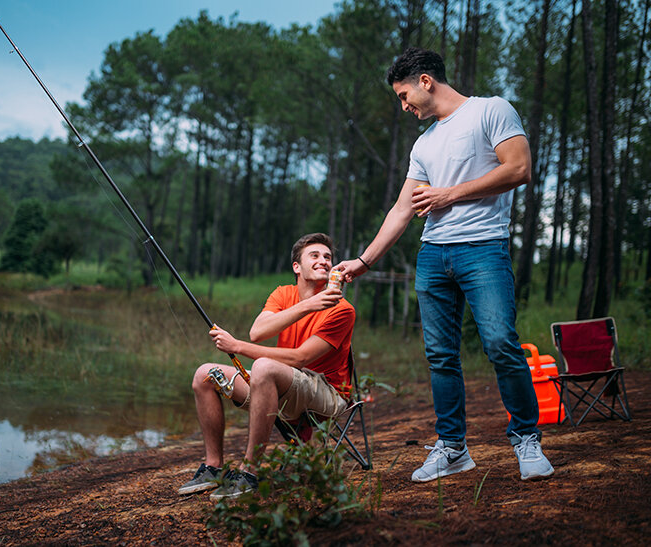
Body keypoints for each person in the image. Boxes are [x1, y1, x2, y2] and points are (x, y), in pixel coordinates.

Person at [335, 47, 553, 482]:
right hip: (433, 255)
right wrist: (363, 260)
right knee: (440, 356)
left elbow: (519, 168)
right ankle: (453, 448)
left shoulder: (491, 111)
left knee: (500, 343)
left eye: (403, 95)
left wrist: (449, 194)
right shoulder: (425, 143)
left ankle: (526, 439)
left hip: (483, 248)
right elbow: (402, 209)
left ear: (426, 82)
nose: (404, 106)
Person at [178, 233, 355, 500]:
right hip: (284, 383)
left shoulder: (342, 309)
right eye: (315, 255)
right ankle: (214, 467)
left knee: (263, 367)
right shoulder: (283, 293)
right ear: (297, 266)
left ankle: (250, 472)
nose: (324, 261)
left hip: (328, 393)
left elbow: (300, 358)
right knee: (205, 374)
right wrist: (307, 305)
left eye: (328, 257)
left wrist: (236, 346)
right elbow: (257, 333)